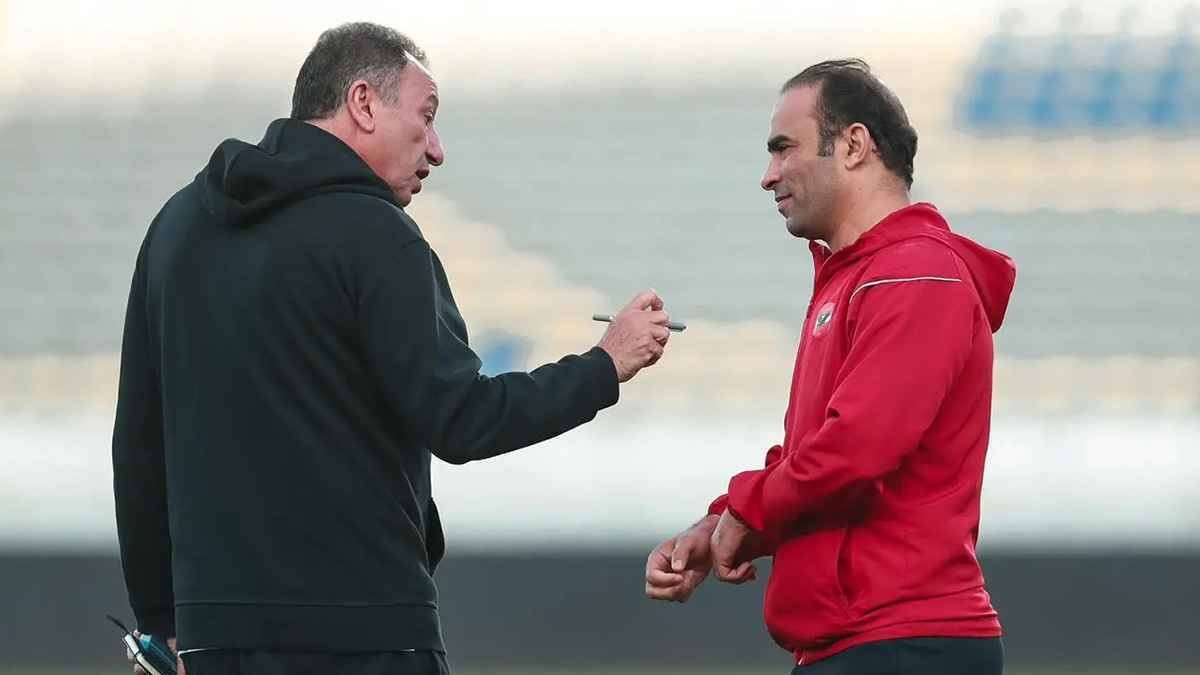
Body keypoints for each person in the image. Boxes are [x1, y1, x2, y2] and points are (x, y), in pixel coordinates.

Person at [113, 22, 673, 675]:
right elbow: (463, 418)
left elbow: (138, 444)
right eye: (426, 117)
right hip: (364, 631)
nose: (437, 149)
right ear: (363, 103)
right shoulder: (378, 234)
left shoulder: (177, 226)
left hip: (213, 639)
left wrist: (162, 624)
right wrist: (605, 365)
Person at [644, 59, 1015, 674]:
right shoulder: (857, 279)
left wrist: (748, 511)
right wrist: (720, 522)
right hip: (863, 642)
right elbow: (815, 452)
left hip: (903, 642)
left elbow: (855, 449)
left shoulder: (913, 274)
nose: (769, 175)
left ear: (853, 145)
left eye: (783, 148)